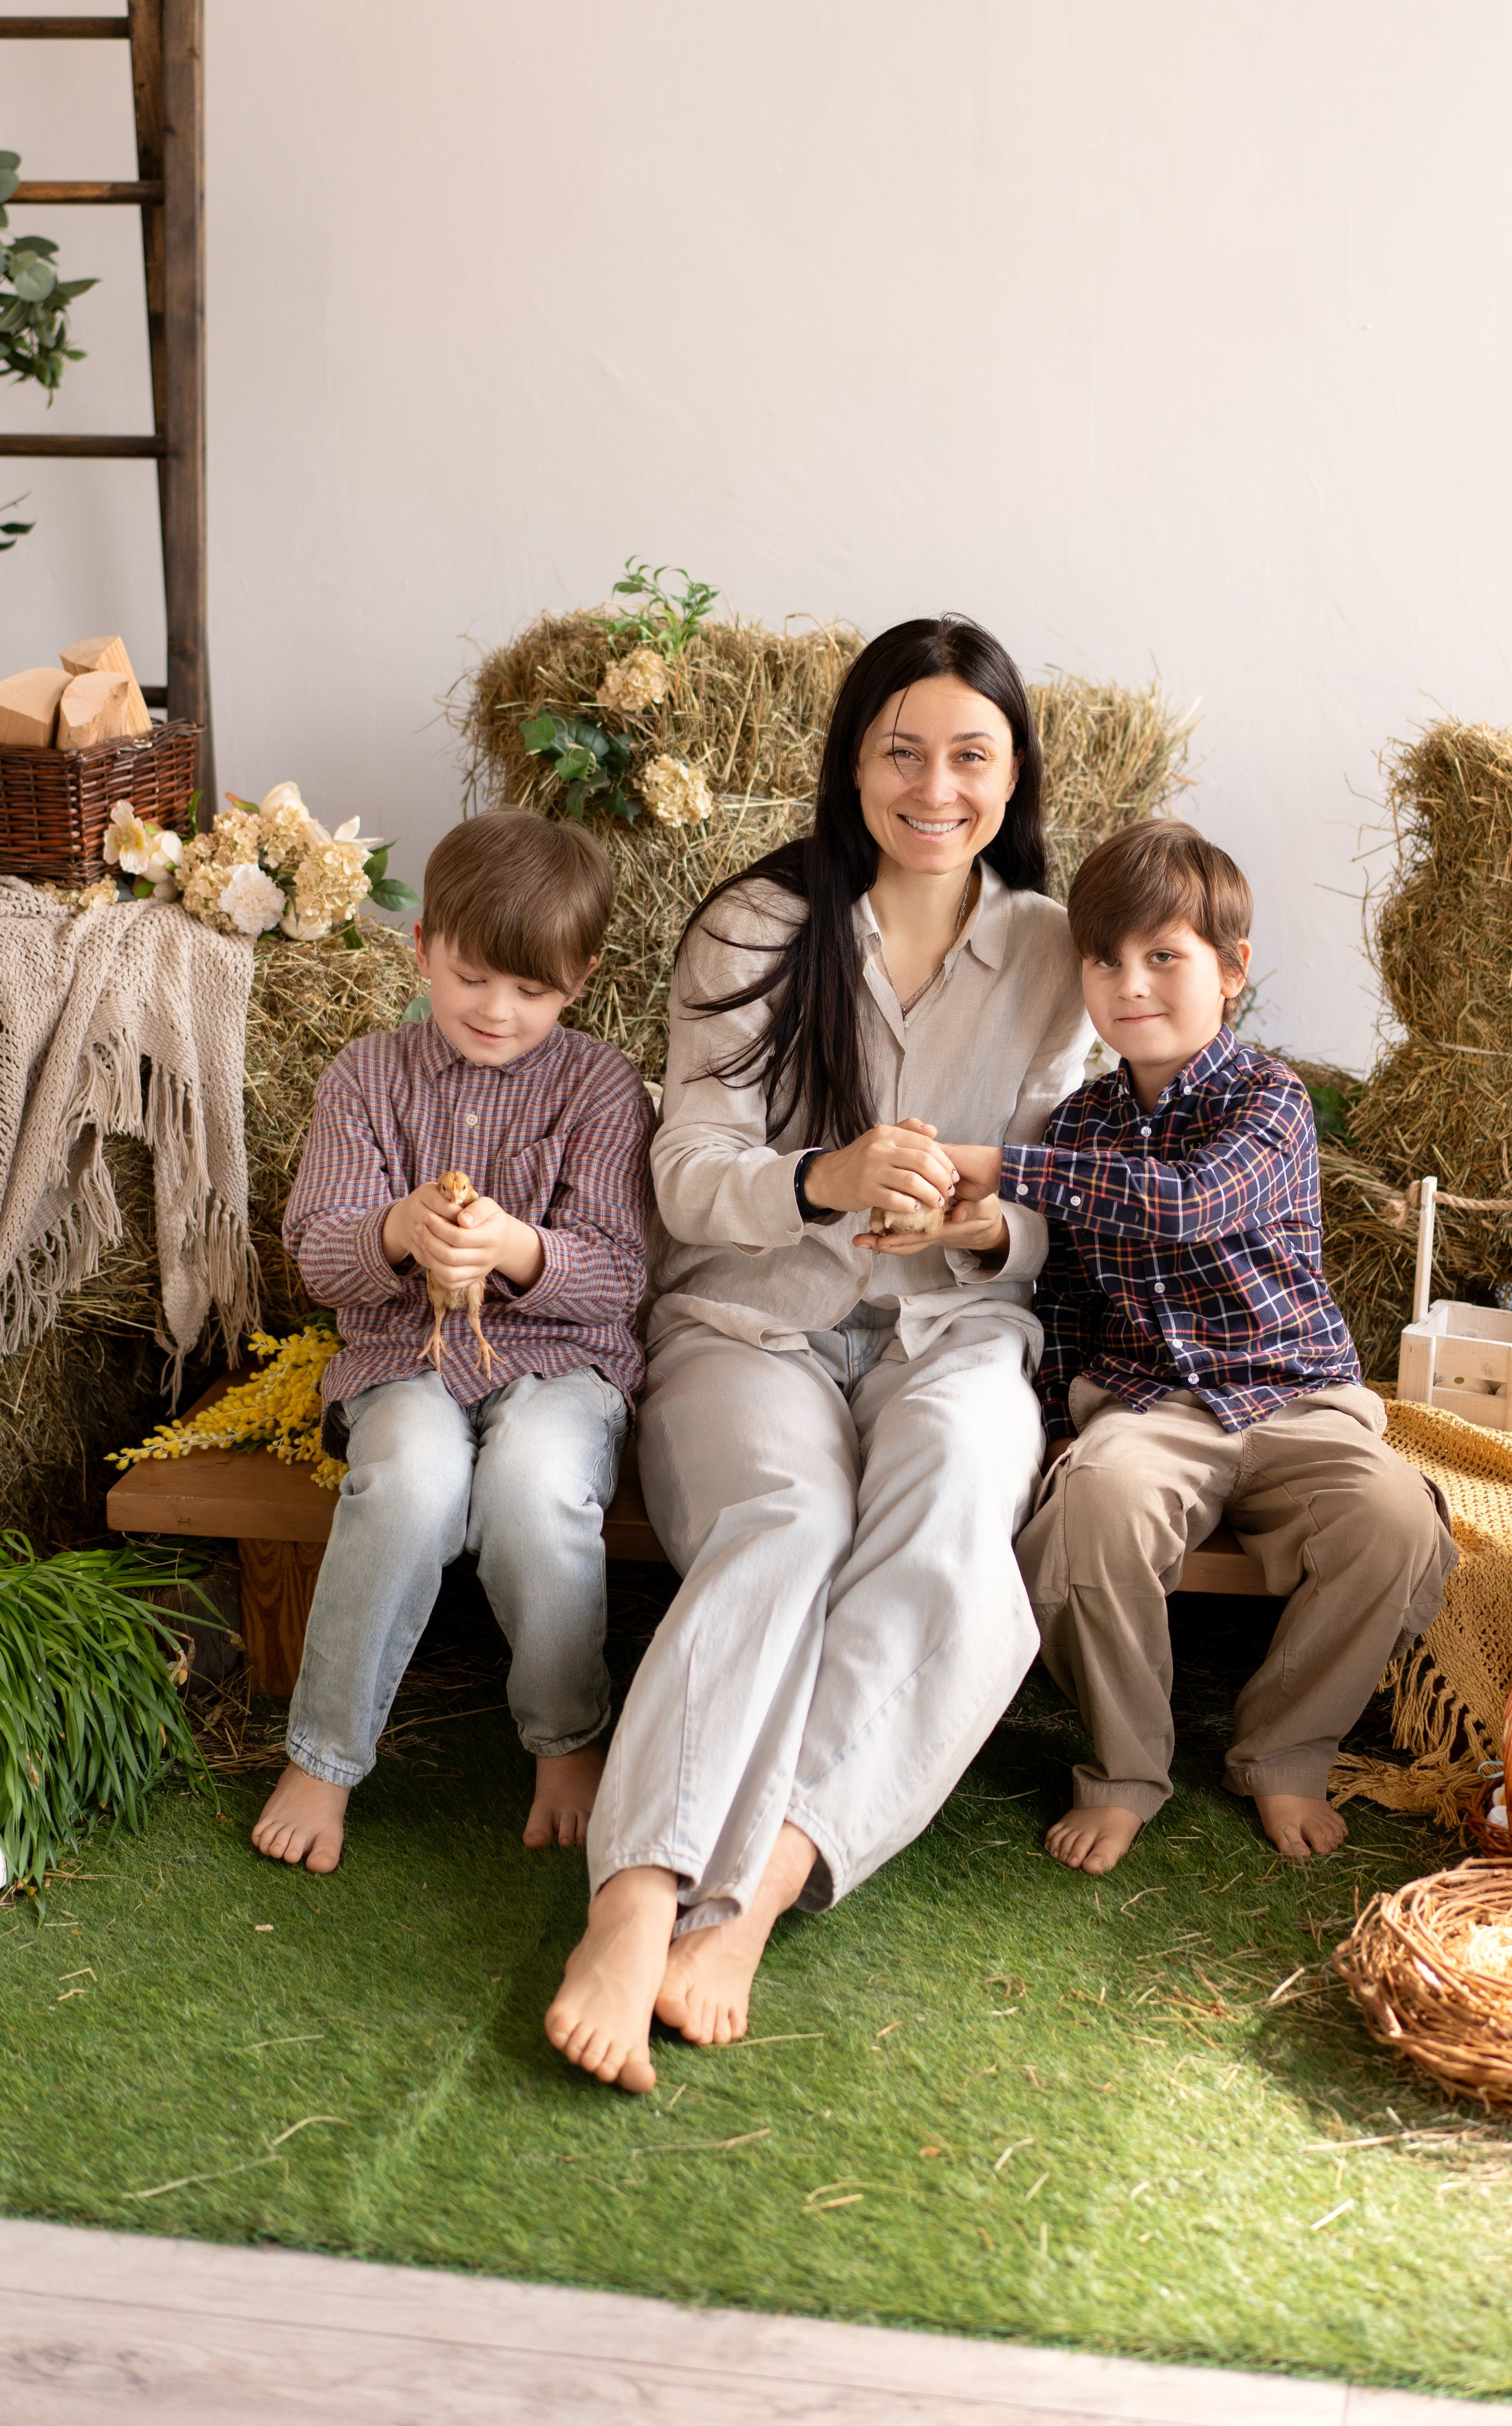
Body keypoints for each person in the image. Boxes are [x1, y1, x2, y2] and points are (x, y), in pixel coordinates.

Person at [543, 615, 1091, 2090]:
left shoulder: (1051, 953)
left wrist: (980, 1220)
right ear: (850, 765)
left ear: (1013, 772)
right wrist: (823, 1177)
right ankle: (634, 1900)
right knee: (789, 1519)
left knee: (958, 1510)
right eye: (898, 750)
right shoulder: (754, 927)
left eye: (968, 755)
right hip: (749, 1320)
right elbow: (684, 1173)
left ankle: (758, 1898)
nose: (933, 785)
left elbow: (1059, 1210)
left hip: (955, 1328)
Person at [946, 817, 1456, 1875]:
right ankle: (1128, 1767)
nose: (1132, 984)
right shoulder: (1079, 1124)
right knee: (1092, 1508)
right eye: (1105, 961)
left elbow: (1186, 1204)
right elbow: (1068, 1301)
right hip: (1149, 1406)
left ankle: (1287, 1750)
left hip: (1298, 1397)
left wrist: (1000, 1166)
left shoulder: (1271, 1102)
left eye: (1164, 957)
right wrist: (1050, 1430)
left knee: (1392, 1519)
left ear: (1233, 972)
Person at [252, 806, 653, 1875]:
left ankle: (566, 1738)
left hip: (562, 1366)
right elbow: (315, 1252)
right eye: (475, 976)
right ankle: (327, 1755)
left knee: (535, 1489)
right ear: (423, 947)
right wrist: (396, 1229)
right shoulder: (366, 1079)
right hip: (403, 1362)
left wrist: (518, 1248)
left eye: (534, 990)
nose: (498, 1009)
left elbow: (620, 1270)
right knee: (410, 1482)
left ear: (581, 980)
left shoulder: (602, 1087)